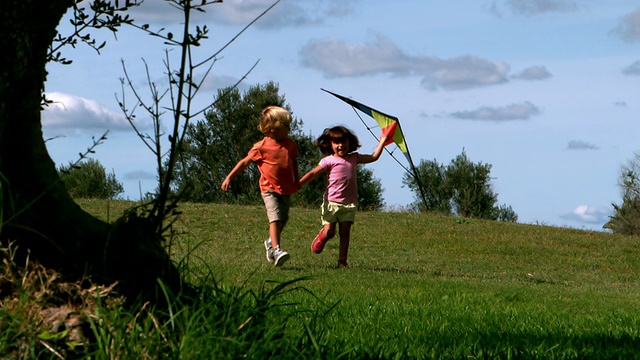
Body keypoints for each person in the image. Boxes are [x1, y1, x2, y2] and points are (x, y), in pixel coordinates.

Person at [299, 124, 394, 268]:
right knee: (330, 232)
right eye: (336, 142)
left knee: (345, 232)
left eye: (343, 142)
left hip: (349, 203)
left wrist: (382, 140)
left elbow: (374, 157)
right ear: (330, 144)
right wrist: (298, 184)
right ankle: (323, 236)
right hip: (331, 203)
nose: (340, 145)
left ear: (350, 143)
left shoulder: (354, 158)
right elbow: (313, 173)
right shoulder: (328, 161)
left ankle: (342, 260)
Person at [221, 106, 300, 267]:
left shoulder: (290, 144)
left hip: (285, 188)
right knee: (275, 218)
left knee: (283, 219)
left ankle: (270, 242)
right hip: (268, 188)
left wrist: (297, 180)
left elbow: (293, 161)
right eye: (286, 126)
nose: (289, 129)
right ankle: (277, 249)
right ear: (272, 129)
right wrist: (229, 176)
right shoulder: (261, 146)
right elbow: (245, 162)